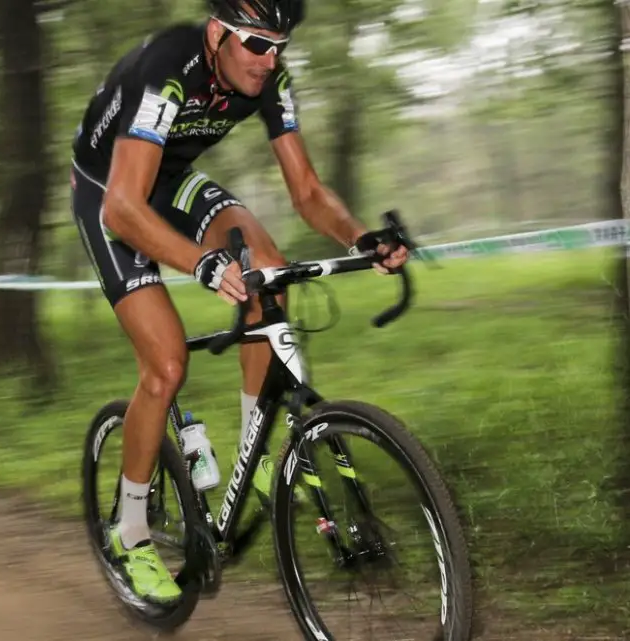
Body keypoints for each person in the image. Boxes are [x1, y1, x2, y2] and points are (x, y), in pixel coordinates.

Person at [68, 0, 408, 605]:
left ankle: (255, 457)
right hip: (109, 190)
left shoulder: (269, 74)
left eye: (280, 44)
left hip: (170, 176)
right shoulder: (168, 69)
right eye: (257, 44)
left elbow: (305, 189)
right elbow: (123, 209)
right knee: (167, 364)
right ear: (218, 32)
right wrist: (200, 262)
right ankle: (130, 530)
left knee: (269, 270)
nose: (270, 58)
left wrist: (361, 238)